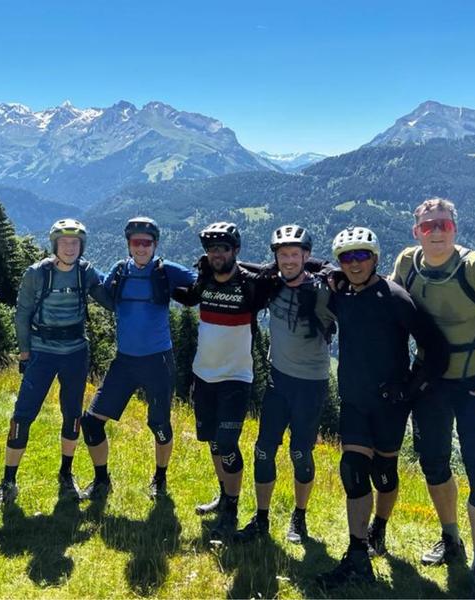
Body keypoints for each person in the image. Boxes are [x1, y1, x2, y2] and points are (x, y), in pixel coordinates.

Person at [391, 198, 475, 600]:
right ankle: (451, 540)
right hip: (430, 381)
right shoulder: (406, 264)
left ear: (456, 229)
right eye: (428, 225)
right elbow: (392, 311)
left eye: (444, 225)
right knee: (433, 462)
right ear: (415, 231)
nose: (436, 232)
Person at [316, 226, 448, 589]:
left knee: (384, 474)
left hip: (390, 405)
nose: (354, 263)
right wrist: (329, 271)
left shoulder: (394, 297)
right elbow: (308, 266)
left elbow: (434, 346)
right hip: (354, 401)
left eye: (361, 256)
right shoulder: (341, 292)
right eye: (347, 257)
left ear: (375, 258)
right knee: (353, 469)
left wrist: (409, 388)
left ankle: (379, 529)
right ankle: (357, 554)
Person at [0, 218, 111, 508]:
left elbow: (110, 296)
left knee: (72, 415)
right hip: (42, 352)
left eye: (75, 243)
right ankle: (7, 482)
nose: (70, 247)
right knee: (22, 415)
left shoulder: (86, 272)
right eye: (64, 242)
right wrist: (24, 352)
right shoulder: (37, 274)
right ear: (55, 245)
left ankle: (66, 476)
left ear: (82, 247)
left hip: (75, 353)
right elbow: (22, 313)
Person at [78, 217, 196, 500]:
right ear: (129, 245)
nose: (141, 248)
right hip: (125, 362)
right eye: (136, 242)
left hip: (158, 360)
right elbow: (102, 291)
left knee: (160, 425)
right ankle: (102, 481)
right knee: (91, 421)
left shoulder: (165, 270)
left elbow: (199, 283)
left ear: (155, 245)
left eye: (147, 243)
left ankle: (160, 478)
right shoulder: (120, 271)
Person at [173, 222, 278, 541]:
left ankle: (231, 510)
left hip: (236, 378)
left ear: (236, 251)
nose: (217, 254)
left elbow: (283, 273)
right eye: (212, 249)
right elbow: (188, 298)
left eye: (224, 248)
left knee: (228, 443)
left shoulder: (251, 285)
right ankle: (224, 496)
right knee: (215, 443)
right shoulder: (203, 280)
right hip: (203, 375)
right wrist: (156, 278)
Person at [232, 225, 336, 545]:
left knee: (301, 453)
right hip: (279, 380)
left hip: (311, 384)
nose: (288, 260)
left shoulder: (323, 290)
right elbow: (243, 271)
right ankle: (261, 519)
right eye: (282, 254)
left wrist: (327, 269)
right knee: (263, 450)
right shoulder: (271, 284)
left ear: (306, 255)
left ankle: (299, 517)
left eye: (295, 254)